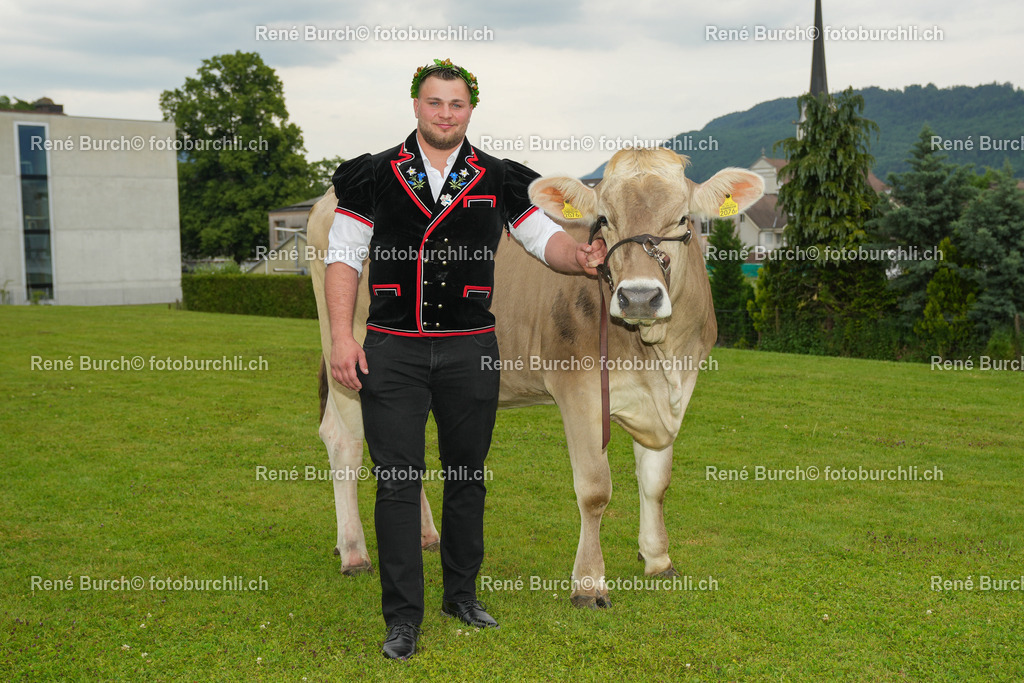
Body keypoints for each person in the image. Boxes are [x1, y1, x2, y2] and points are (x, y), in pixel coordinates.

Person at [324, 58, 606, 661]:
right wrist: (341, 343)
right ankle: (403, 618)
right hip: (392, 347)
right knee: (398, 483)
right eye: (434, 102)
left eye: (456, 104)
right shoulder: (372, 175)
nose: (445, 113)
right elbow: (344, 258)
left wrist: (579, 257)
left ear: (470, 110)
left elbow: (542, 240)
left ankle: (462, 594)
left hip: (470, 348)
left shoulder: (498, 176)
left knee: (466, 476)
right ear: (416, 107)